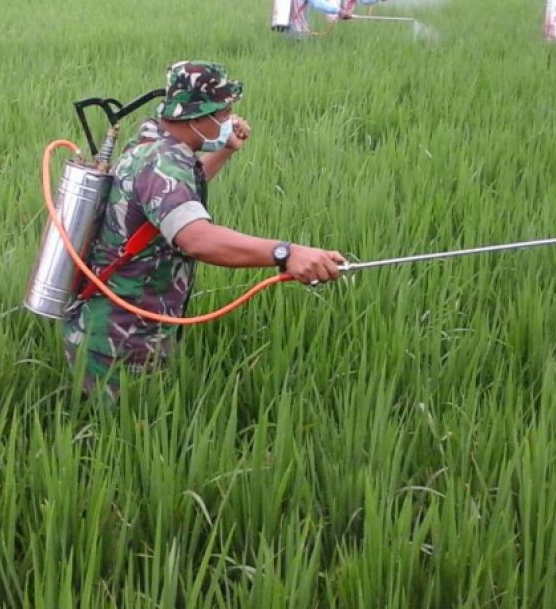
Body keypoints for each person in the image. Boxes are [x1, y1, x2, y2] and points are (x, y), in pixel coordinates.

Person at [63, 61, 346, 396]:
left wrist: (225, 150)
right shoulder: (161, 162)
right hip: (119, 343)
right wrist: (287, 253)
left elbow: (175, 200)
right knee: (123, 439)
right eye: (223, 115)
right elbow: (197, 238)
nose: (230, 121)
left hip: (130, 329)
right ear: (197, 118)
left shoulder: (157, 143)